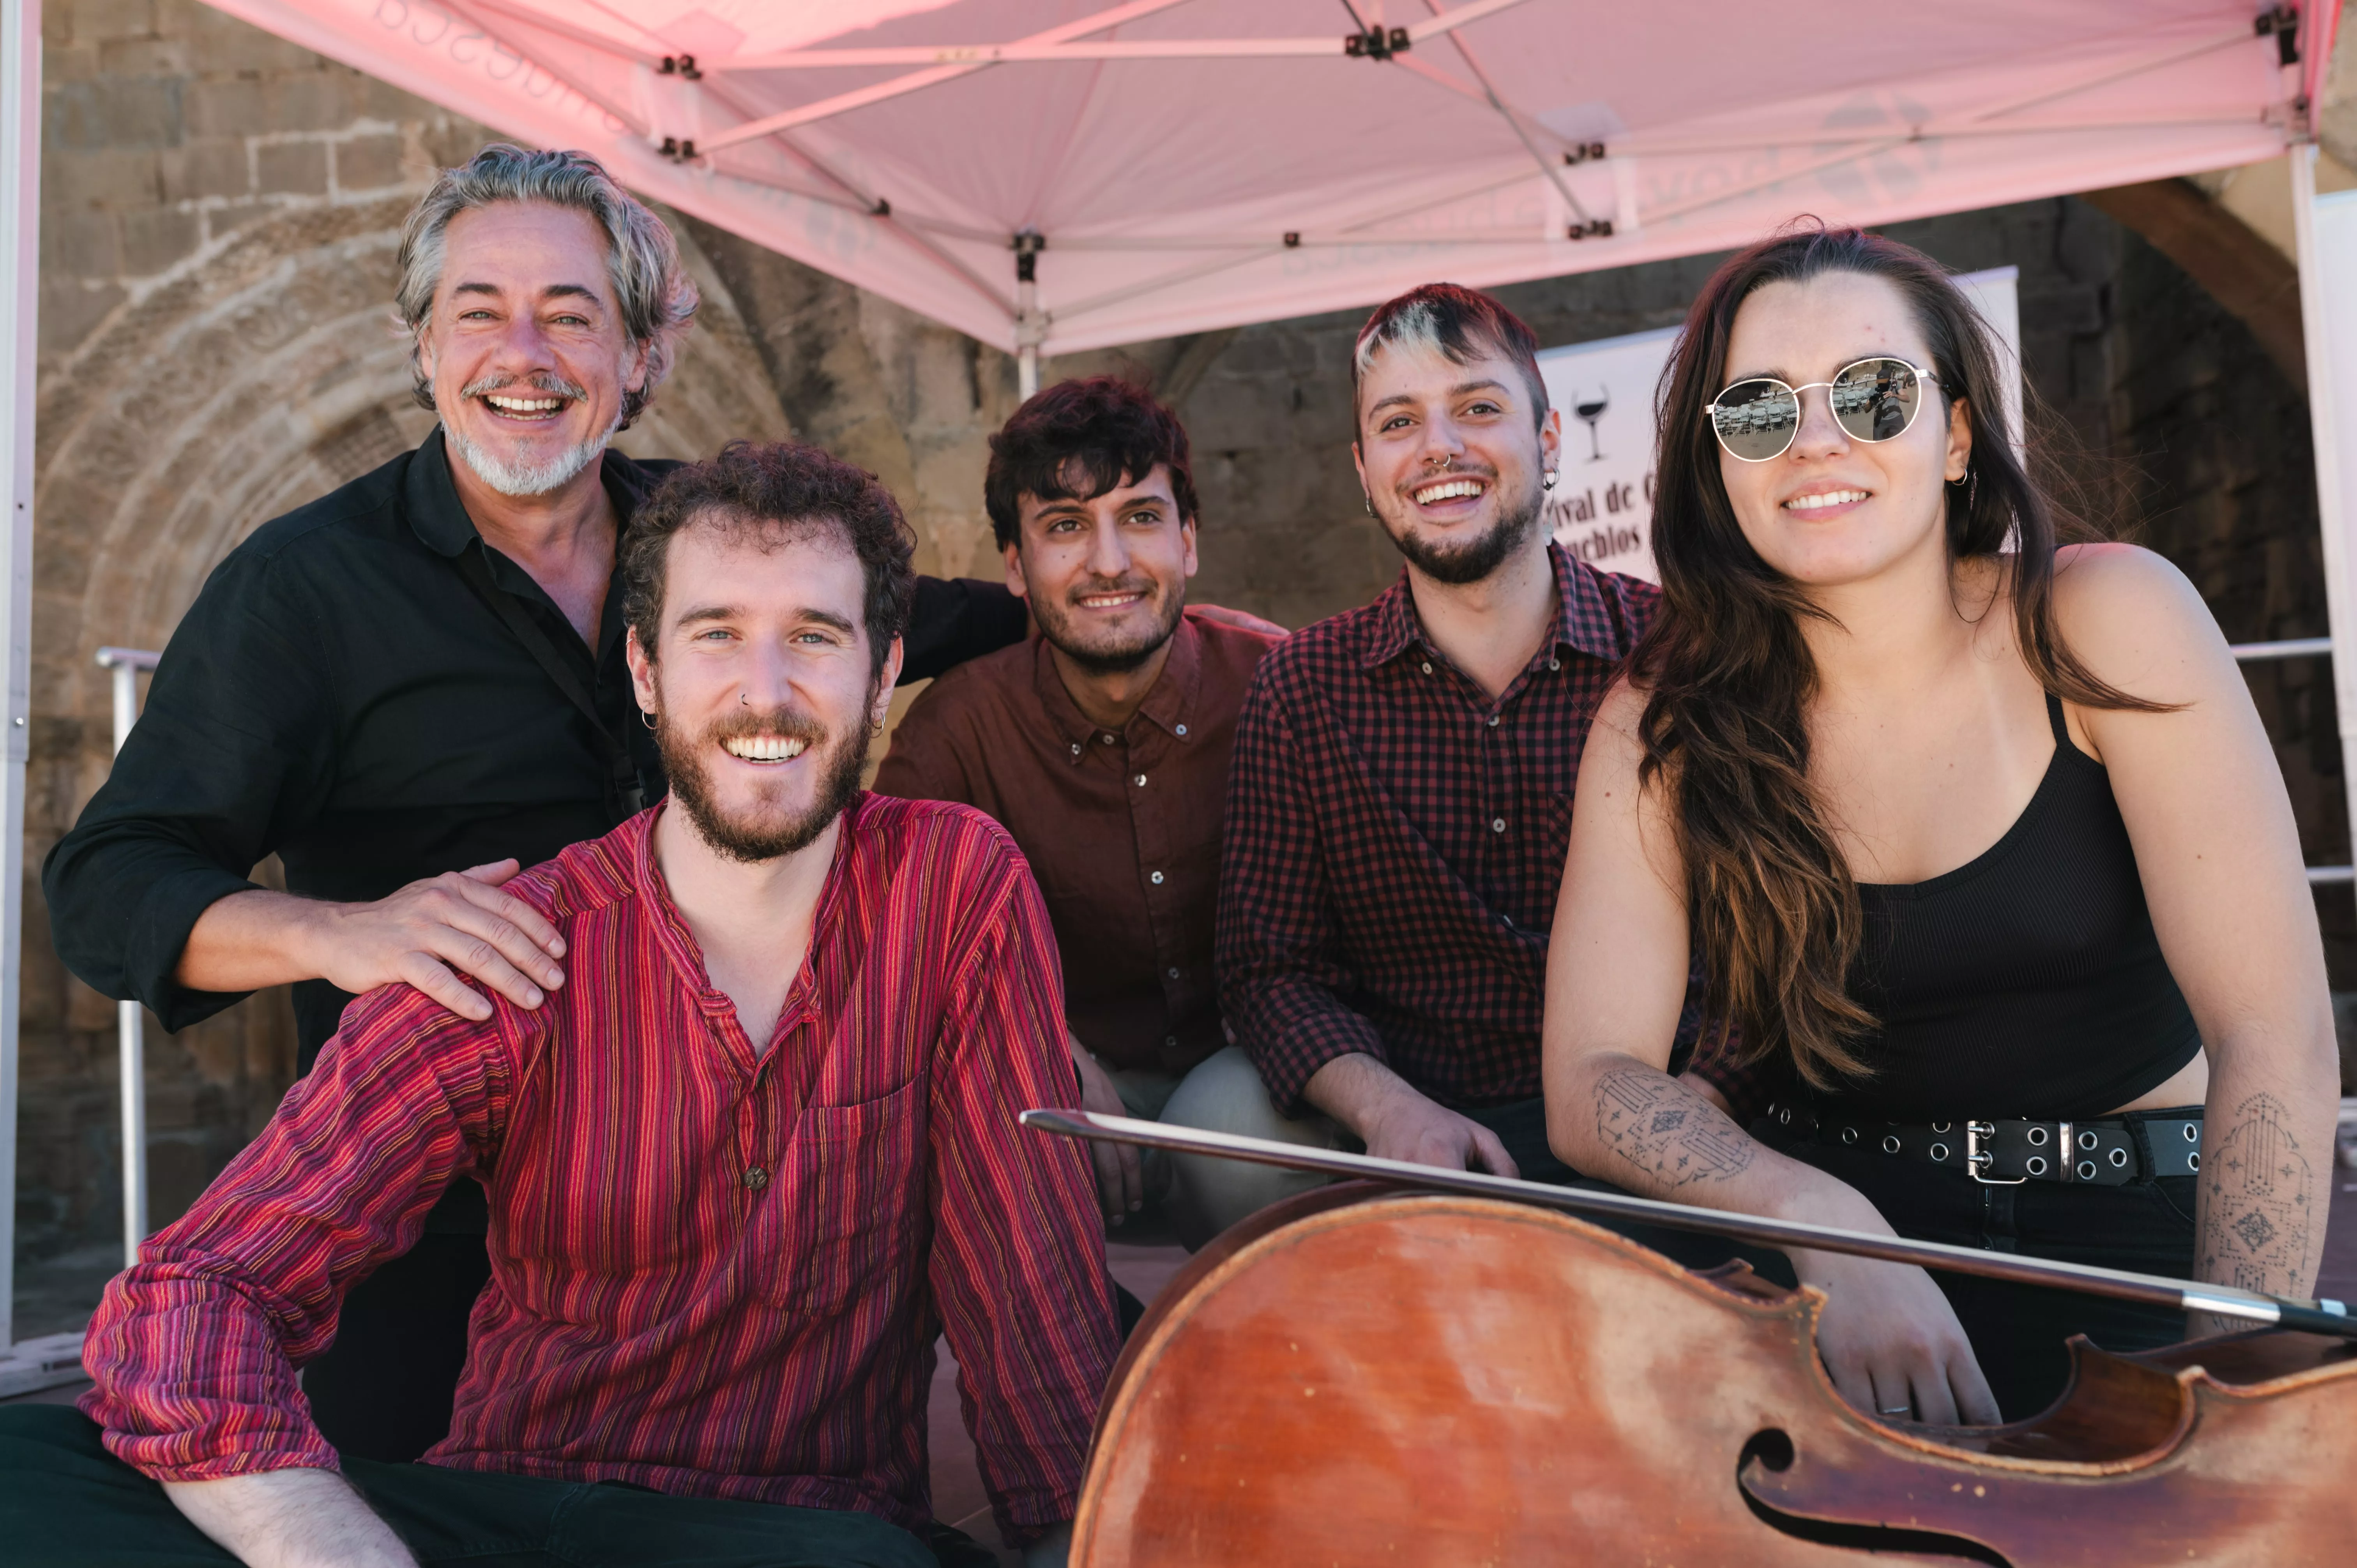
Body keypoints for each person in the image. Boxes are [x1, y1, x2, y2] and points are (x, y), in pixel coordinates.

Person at [40, 145, 1030, 1462]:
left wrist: (1107, 622)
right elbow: (108, 889)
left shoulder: (700, 543)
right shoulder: (304, 591)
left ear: (637, 356)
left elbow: (908, 616)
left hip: (732, 1193)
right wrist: (338, 932)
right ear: (422, 347)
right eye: (479, 312)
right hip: (432, 1217)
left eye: (572, 315)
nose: (526, 352)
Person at [0, 440, 1115, 1568]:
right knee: (29, 1477)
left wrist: (1073, 1533)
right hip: (520, 1515)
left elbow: (1025, 1282)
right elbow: (195, 1292)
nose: (764, 692)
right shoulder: (522, 943)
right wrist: (332, 1546)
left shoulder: (953, 884)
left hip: (798, 1533)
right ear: (644, 672)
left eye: (815, 638)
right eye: (715, 633)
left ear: (883, 675)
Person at [1540, 225, 2336, 1424]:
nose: (1817, 439)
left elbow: (2272, 1033)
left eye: (1871, 393)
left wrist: (2225, 1386)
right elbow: (1592, 1075)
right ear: (1718, 465)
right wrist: (1815, 1216)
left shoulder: (2105, 617)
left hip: (2140, 1236)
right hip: (1837, 1261)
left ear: (1957, 433)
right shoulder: (1663, 718)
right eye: (1758, 410)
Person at [1215, 283, 1753, 1193]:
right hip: (1427, 1136)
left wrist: (1708, 1096)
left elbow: (1778, 934)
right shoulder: (1302, 688)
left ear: (1548, 443)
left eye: (1477, 407)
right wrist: (1389, 1109)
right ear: (1362, 469)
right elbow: (1270, 971)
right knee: (1216, 1127)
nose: (1440, 447)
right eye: (1399, 422)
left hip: (1666, 1117)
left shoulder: (1679, 656)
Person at [875, 377, 1300, 1249]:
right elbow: (906, 955)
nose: (1108, 562)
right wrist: (1048, 1049)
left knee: (1243, 1143)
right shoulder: (956, 732)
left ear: (1188, 541)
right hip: (1058, 1080)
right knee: (1002, 1142)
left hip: (1250, 1064)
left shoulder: (1281, 683)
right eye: (1066, 526)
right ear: (1014, 566)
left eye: (1140, 518)